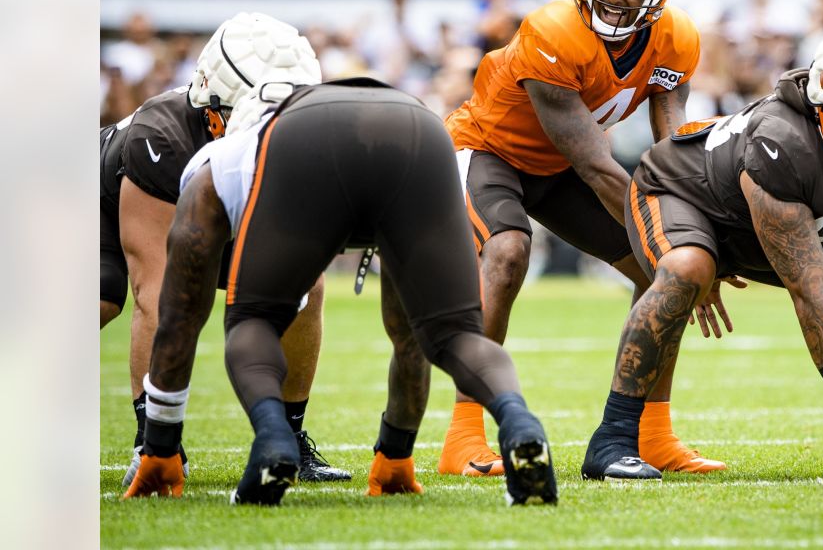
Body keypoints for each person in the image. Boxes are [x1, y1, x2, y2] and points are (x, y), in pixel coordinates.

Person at [123, 77, 557, 506]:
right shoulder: (326, 114)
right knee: (453, 334)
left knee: (253, 321)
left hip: (305, 145)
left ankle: (275, 440)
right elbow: (407, 338)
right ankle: (518, 423)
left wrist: (160, 446)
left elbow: (179, 318)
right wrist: (396, 452)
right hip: (420, 127)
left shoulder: (219, 161)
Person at [579, 9, 823, 480]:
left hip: (787, 221)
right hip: (684, 195)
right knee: (688, 269)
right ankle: (613, 438)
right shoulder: (783, 143)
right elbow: (808, 292)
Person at [441, 0, 728, 477]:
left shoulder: (675, 39)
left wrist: (693, 243)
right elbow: (598, 167)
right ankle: (464, 435)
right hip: (489, 150)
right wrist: (674, 234)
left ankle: (652, 432)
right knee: (507, 252)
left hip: (558, 166)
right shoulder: (553, 32)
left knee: (663, 271)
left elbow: (673, 152)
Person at [100, 12, 350, 485]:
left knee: (307, 283)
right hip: (104, 213)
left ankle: (292, 439)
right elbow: (157, 298)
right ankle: (149, 437)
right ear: (213, 109)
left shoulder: (293, 133)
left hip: (211, 211)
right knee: (107, 298)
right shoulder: (163, 137)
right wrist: (159, 441)